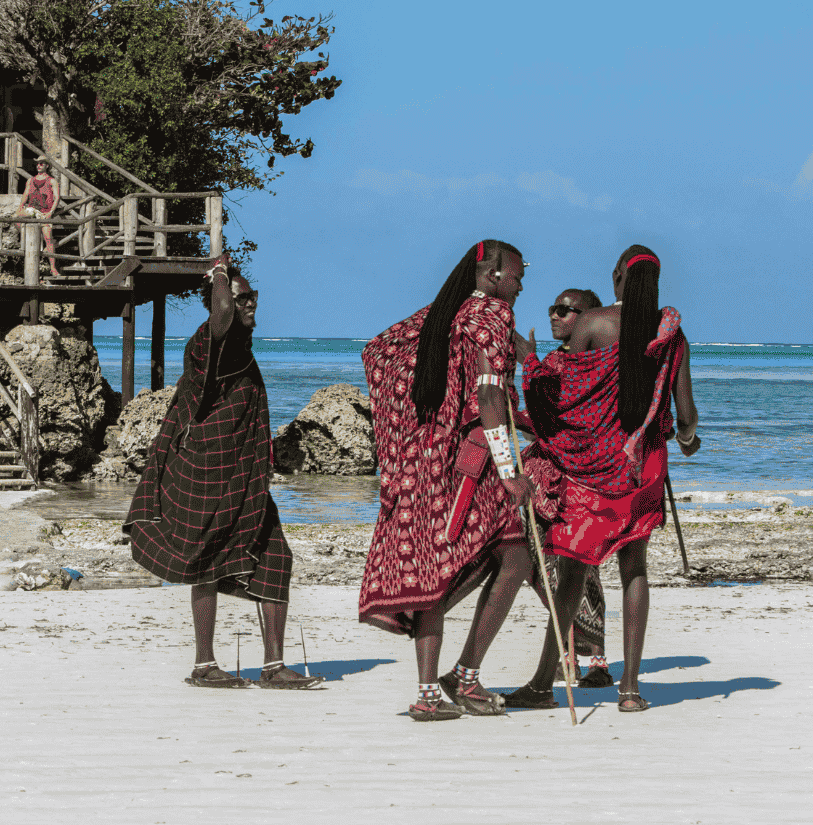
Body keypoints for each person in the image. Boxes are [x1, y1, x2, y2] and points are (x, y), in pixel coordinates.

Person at [506, 246, 699, 713]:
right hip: (646, 464)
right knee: (635, 568)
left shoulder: (591, 325)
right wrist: (688, 440)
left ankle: (540, 684)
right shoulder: (673, 335)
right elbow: (687, 418)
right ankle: (630, 690)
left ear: (616, 278)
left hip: (594, 467)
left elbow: (561, 399)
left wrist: (530, 362)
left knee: (573, 567)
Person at [356, 240, 537, 721]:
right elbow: (492, 398)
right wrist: (510, 470)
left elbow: (377, 353)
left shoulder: (441, 313)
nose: (521, 285)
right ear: (492, 273)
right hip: (473, 464)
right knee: (515, 556)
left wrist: (415, 427)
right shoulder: (493, 317)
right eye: (517, 275)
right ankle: (464, 676)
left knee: (436, 564)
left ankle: (430, 693)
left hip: (429, 460)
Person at [125, 254, 323, 690]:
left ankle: (273, 667)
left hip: (243, 476)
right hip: (206, 471)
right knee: (206, 563)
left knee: (275, 558)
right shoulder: (216, 341)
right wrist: (219, 274)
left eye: (255, 296)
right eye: (244, 297)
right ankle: (203, 665)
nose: (252, 304)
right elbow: (223, 312)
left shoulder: (239, 346)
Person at [532, 287, 616, 689]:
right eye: (554, 307)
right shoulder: (560, 360)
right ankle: (576, 655)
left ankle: (590, 658)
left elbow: (558, 417)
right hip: (563, 471)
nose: (555, 315)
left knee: (576, 566)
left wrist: (526, 368)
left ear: (587, 319)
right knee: (558, 566)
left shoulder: (583, 364)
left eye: (566, 311)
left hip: (576, 473)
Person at [15, 158, 62, 277]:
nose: (39, 165)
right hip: (32, 210)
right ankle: (28, 241)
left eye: (41, 163)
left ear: (47, 166)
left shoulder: (52, 181)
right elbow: (26, 194)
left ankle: (53, 268)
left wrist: (51, 212)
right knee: (15, 218)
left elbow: (57, 197)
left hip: (44, 213)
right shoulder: (31, 180)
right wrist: (20, 206)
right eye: (37, 164)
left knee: (48, 239)